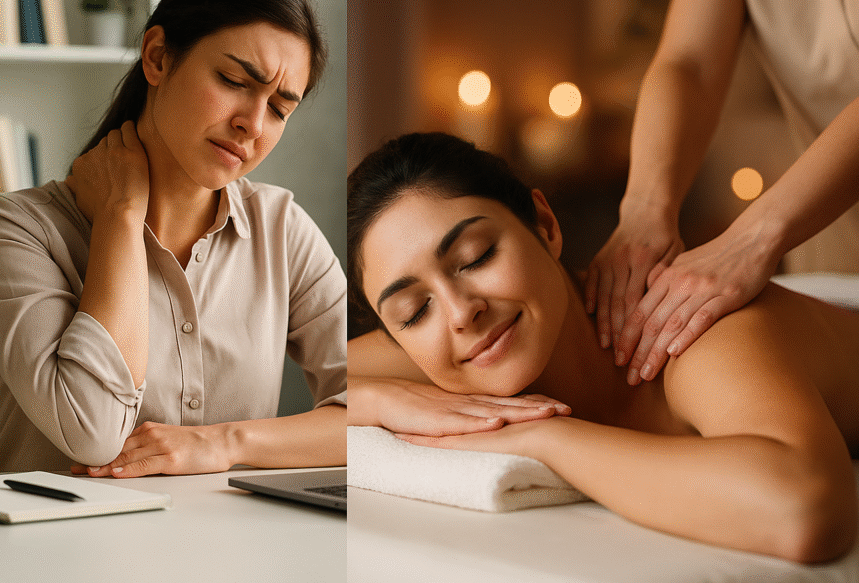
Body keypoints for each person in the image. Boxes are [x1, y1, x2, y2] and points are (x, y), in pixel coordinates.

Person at [347, 132, 859, 563]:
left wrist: (544, 439)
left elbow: (803, 512)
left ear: (544, 225)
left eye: (477, 257)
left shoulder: (691, 332)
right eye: (414, 311)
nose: (460, 313)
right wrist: (373, 401)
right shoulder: (451, 349)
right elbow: (288, 388)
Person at [0, 0, 346, 477]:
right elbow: (94, 432)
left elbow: (373, 415)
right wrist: (121, 218)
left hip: (227, 550)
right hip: (51, 551)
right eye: (234, 80)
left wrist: (225, 443)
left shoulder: (282, 230)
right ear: (157, 57)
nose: (252, 125)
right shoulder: (15, 229)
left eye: (280, 109)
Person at [585, 0, 859, 386]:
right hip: (832, 251)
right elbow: (689, 63)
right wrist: (645, 211)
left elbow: (794, 465)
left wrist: (754, 237)